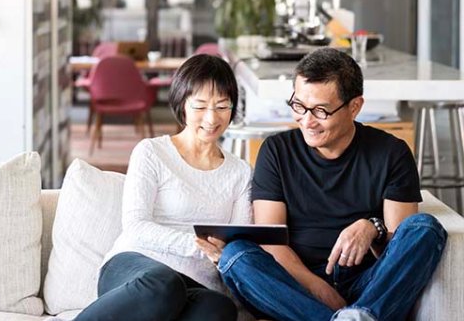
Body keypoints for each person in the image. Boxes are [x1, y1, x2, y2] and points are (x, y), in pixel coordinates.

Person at [197, 48, 447, 321]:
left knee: (424, 228)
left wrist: (371, 227)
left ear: (355, 106)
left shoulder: (391, 153)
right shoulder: (276, 151)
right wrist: (320, 290)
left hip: (368, 284)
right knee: (236, 255)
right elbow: (272, 244)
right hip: (295, 287)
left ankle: (358, 314)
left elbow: (398, 244)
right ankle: (354, 318)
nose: (307, 120)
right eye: (299, 106)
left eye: (320, 111)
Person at [74, 54, 252, 321]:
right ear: (182, 105)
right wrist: (200, 247)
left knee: (219, 310)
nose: (211, 118)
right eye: (200, 106)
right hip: (137, 268)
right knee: (164, 285)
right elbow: (136, 225)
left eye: (222, 106)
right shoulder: (152, 152)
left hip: (196, 283)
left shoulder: (240, 172)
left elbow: (235, 242)